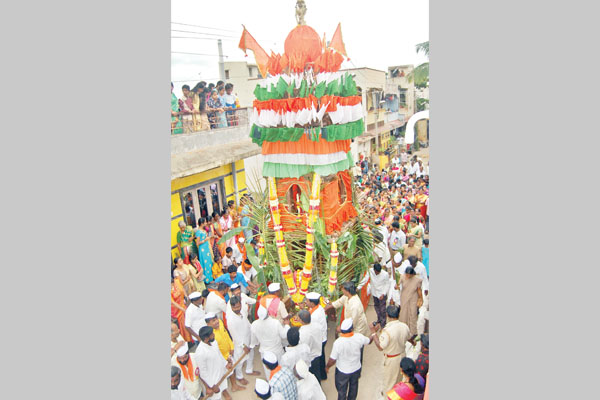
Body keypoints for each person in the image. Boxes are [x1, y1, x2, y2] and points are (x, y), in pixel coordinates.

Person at [369, 305, 412, 395]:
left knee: (389, 383)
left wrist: (373, 333)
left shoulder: (387, 331)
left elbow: (380, 347)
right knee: (399, 380)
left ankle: (388, 396)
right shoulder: (404, 326)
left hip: (391, 360)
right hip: (402, 356)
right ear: (398, 315)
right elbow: (409, 338)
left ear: (387, 315)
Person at [326, 318, 373, 400]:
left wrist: (327, 367)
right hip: (356, 368)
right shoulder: (359, 337)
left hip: (343, 371)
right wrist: (373, 333)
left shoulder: (338, 343)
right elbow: (369, 341)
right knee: (354, 387)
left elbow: (332, 359)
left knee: (341, 391)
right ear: (351, 329)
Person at [226, 295, 261, 385]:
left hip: (248, 337)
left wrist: (253, 330)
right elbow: (234, 335)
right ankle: (239, 376)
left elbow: (247, 322)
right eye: (235, 307)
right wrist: (243, 346)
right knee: (239, 361)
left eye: (239, 306)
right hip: (240, 344)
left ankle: (249, 370)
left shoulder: (242, 311)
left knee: (251, 355)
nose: (237, 308)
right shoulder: (230, 319)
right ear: (231, 307)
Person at [194, 326, 233, 400]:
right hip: (212, 380)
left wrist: (225, 364)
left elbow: (219, 355)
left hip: (220, 374)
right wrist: (212, 385)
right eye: (211, 334)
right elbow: (203, 372)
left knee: (223, 388)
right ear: (206, 339)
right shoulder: (200, 353)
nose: (214, 335)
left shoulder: (213, 342)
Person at [250, 306, 290, 377]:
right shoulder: (275, 323)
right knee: (280, 371)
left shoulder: (254, 325)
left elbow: (254, 342)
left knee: (269, 374)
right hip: (277, 351)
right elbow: (284, 335)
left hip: (264, 352)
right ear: (268, 313)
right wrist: (287, 325)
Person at [357, 263, 391, 327]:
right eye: (377, 272)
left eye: (379, 272)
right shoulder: (370, 271)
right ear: (374, 270)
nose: (378, 273)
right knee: (377, 307)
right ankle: (379, 320)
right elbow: (365, 280)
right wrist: (358, 287)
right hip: (375, 293)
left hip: (382, 294)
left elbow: (387, 284)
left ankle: (383, 324)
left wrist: (383, 293)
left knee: (382, 309)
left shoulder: (385, 274)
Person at [305, 292, 328, 380]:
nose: (306, 302)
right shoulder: (318, 308)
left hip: (318, 340)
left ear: (312, 303)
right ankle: (323, 375)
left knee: (316, 361)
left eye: (307, 301)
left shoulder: (314, 316)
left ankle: (318, 379)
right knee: (321, 357)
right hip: (322, 338)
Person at [297, 310, 323, 383]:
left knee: (310, 378)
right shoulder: (317, 326)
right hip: (317, 354)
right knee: (317, 374)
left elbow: (302, 347)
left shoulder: (302, 333)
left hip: (309, 358)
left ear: (301, 320)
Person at [399, 267, 424, 337]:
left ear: (412, 274)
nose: (408, 276)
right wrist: (396, 286)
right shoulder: (402, 277)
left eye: (409, 275)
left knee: (413, 314)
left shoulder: (417, 280)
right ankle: (403, 330)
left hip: (413, 297)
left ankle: (413, 332)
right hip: (404, 297)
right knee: (404, 313)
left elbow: (419, 290)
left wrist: (421, 298)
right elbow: (398, 284)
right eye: (407, 274)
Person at [172, 272, 193, 343]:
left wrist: (186, 296)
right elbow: (173, 303)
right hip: (176, 310)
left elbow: (182, 288)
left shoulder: (177, 281)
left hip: (183, 304)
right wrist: (183, 309)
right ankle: (187, 339)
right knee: (183, 324)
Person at [195, 217, 214, 284]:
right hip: (202, 249)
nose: (206, 223)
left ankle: (210, 277)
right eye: (205, 222)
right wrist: (204, 240)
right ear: (202, 223)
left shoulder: (204, 230)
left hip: (206, 248)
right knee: (205, 263)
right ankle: (207, 279)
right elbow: (197, 243)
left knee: (209, 262)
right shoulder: (198, 232)